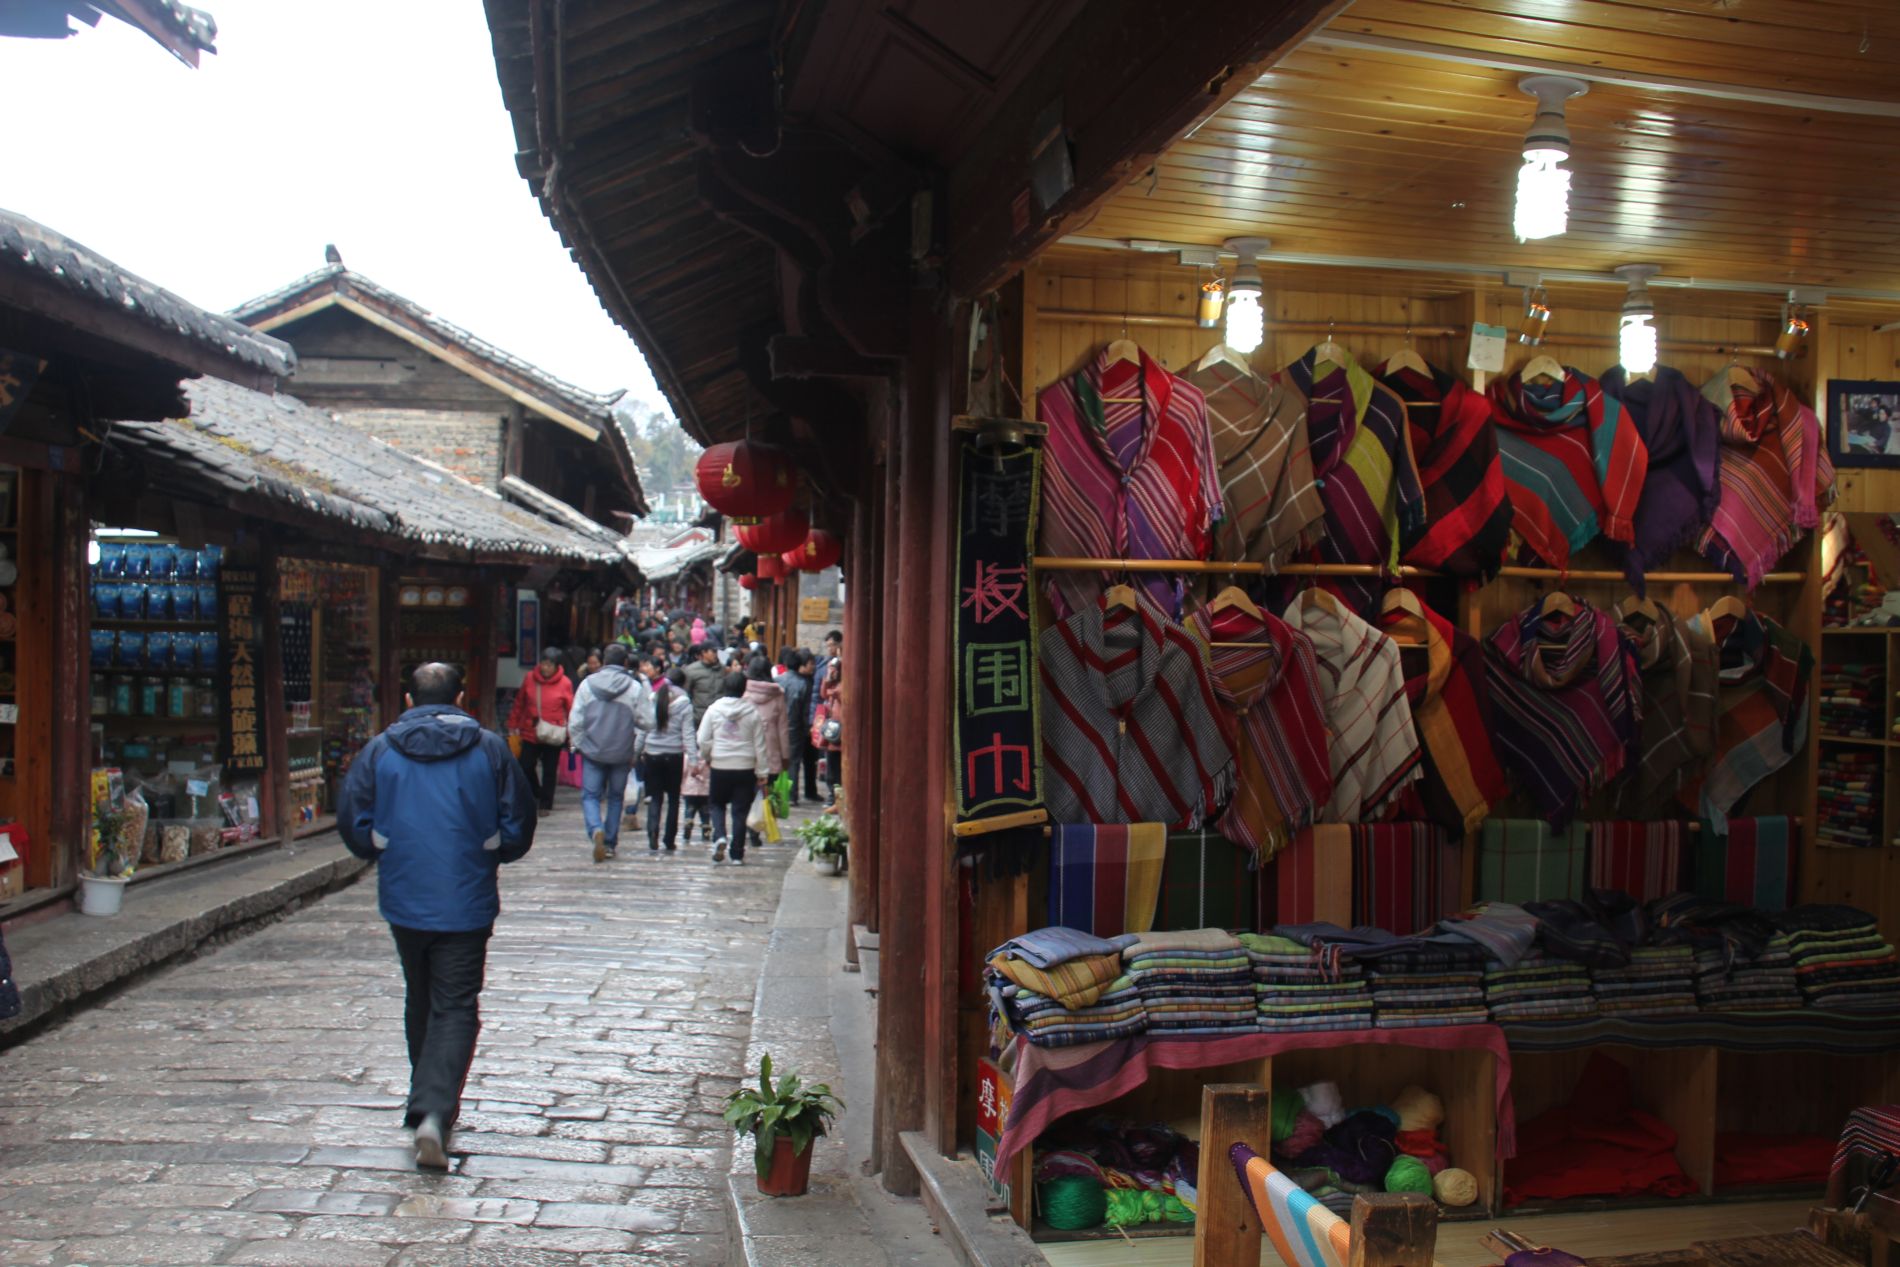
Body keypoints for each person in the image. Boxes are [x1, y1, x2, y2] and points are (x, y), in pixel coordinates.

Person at [339, 663, 535, 1170]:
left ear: (408, 698)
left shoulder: (380, 749)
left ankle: (425, 1098)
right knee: (455, 1003)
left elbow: (352, 816)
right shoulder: (489, 748)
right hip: (466, 897)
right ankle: (433, 1110)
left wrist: (378, 846)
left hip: (404, 896)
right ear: (462, 695)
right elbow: (519, 818)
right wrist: (495, 848)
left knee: (420, 993)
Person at [567, 644, 653, 863]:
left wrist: (578, 744)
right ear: (625, 663)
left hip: (593, 750)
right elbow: (648, 721)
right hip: (622, 752)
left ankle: (596, 828)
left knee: (590, 796)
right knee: (616, 797)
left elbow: (575, 720)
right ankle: (609, 844)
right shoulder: (634, 688)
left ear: (603, 661)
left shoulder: (587, 685)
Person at [696, 671, 769, 865]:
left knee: (716, 804)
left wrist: (708, 756)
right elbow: (760, 744)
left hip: (720, 764)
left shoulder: (713, 710)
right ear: (743, 689)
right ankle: (737, 853)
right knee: (740, 810)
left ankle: (719, 835)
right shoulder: (752, 712)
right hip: (745, 766)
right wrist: (762, 771)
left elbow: (702, 739)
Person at [636, 654, 698, 852]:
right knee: (673, 799)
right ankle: (669, 839)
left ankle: (652, 831)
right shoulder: (685, 703)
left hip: (652, 754)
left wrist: (635, 753)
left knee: (655, 797)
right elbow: (688, 734)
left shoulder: (653, 698)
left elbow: (643, 729)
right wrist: (694, 760)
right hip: (674, 756)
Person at [506, 647, 574, 816]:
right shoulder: (530, 678)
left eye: (549, 665)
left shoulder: (565, 683)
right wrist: (513, 723)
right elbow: (520, 702)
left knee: (550, 770)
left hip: (554, 732)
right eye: (543, 663)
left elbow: (570, 708)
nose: (545, 668)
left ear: (557, 666)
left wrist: (572, 732)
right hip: (531, 730)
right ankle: (536, 791)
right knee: (525, 766)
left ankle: (545, 803)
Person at [742, 656, 788, 849]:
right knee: (764, 792)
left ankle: (745, 825)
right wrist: (785, 755)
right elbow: (783, 728)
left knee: (745, 792)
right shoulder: (777, 695)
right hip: (771, 752)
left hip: (746, 752)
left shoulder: (743, 693)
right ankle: (756, 829)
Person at [783, 650, 821, 805]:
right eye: (811, 664)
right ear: (802, 665)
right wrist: (809, 727)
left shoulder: (780, 679)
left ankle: (789, 793)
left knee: (792, 761)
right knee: (795, 761)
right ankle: (792, 795)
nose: (814, 667)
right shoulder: (803, 684)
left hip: (785, 725)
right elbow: (803, 710)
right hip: (798, 727)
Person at [813, 654, 843, 806]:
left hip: (841, 727)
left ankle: (838, 795)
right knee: (831, 762)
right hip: (832, 727)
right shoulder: (832, 683)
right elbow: (823, 693)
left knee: (839, 764)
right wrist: (827, 679)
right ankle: (832, 793)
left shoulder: (843, 684)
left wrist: (834, 690)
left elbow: (842, 695)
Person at [682, 642, 723, 721]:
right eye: (713, 651)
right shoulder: (691, 670)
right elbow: (686, 693)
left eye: (717, 652)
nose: (716, 654)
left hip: (720, 715)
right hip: (700, 716)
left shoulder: (723, 669)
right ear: (704, 653)